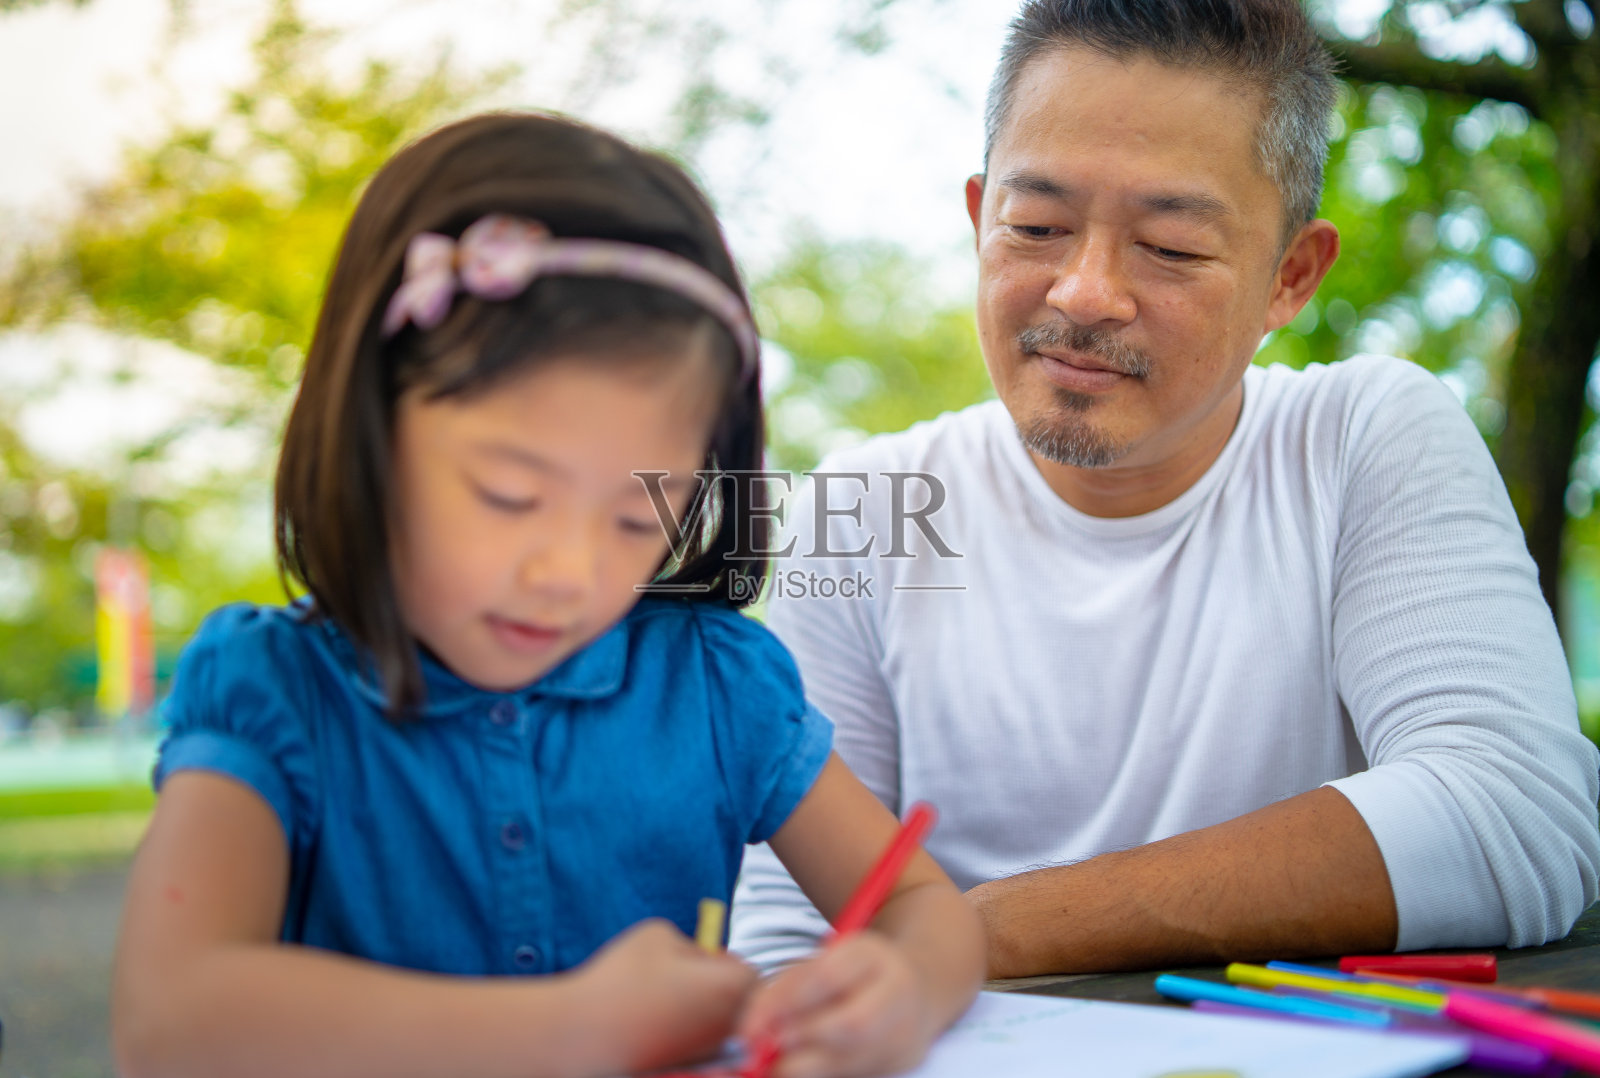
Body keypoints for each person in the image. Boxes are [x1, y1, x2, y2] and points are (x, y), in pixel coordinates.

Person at [730, 0, 1600, 978]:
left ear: (1291, 276)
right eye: (1037, 226)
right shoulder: (865, 510)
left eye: (1172, 247)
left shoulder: (1354, 442)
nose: (1084, 292)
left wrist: (973, 930)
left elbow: (1517, 812)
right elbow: (783, 944)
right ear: (979, 221)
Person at [111, 112, 984, 1078]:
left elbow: (922, 908)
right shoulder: (274, 691)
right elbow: (170, 1020)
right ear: (370, 435)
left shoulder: (713, 685)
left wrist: (900, 996)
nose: (568, 572)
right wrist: (578, 1028)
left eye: (635, 516)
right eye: (509, 496)